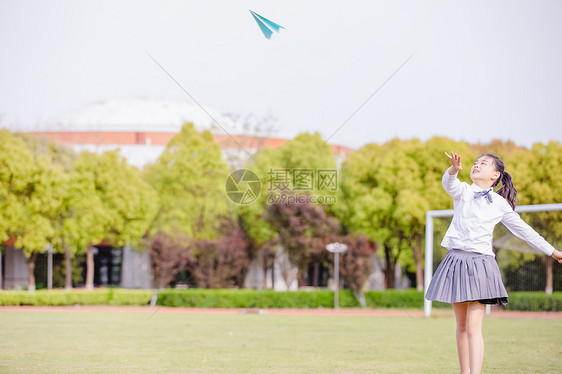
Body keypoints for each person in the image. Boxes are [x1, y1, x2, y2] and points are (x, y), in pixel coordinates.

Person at [425, 151, 562, 374]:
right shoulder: (464, 191)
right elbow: (449, 184)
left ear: (495, 174)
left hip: (481, 265)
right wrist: (453, 170)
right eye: (476, 163)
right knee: (460, 326)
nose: (477, 165)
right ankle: (464, 371)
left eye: (484, 164)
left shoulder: (499, 204)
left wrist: (553, 251)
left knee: (472, 327)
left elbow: (525, 232)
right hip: (456, 261)